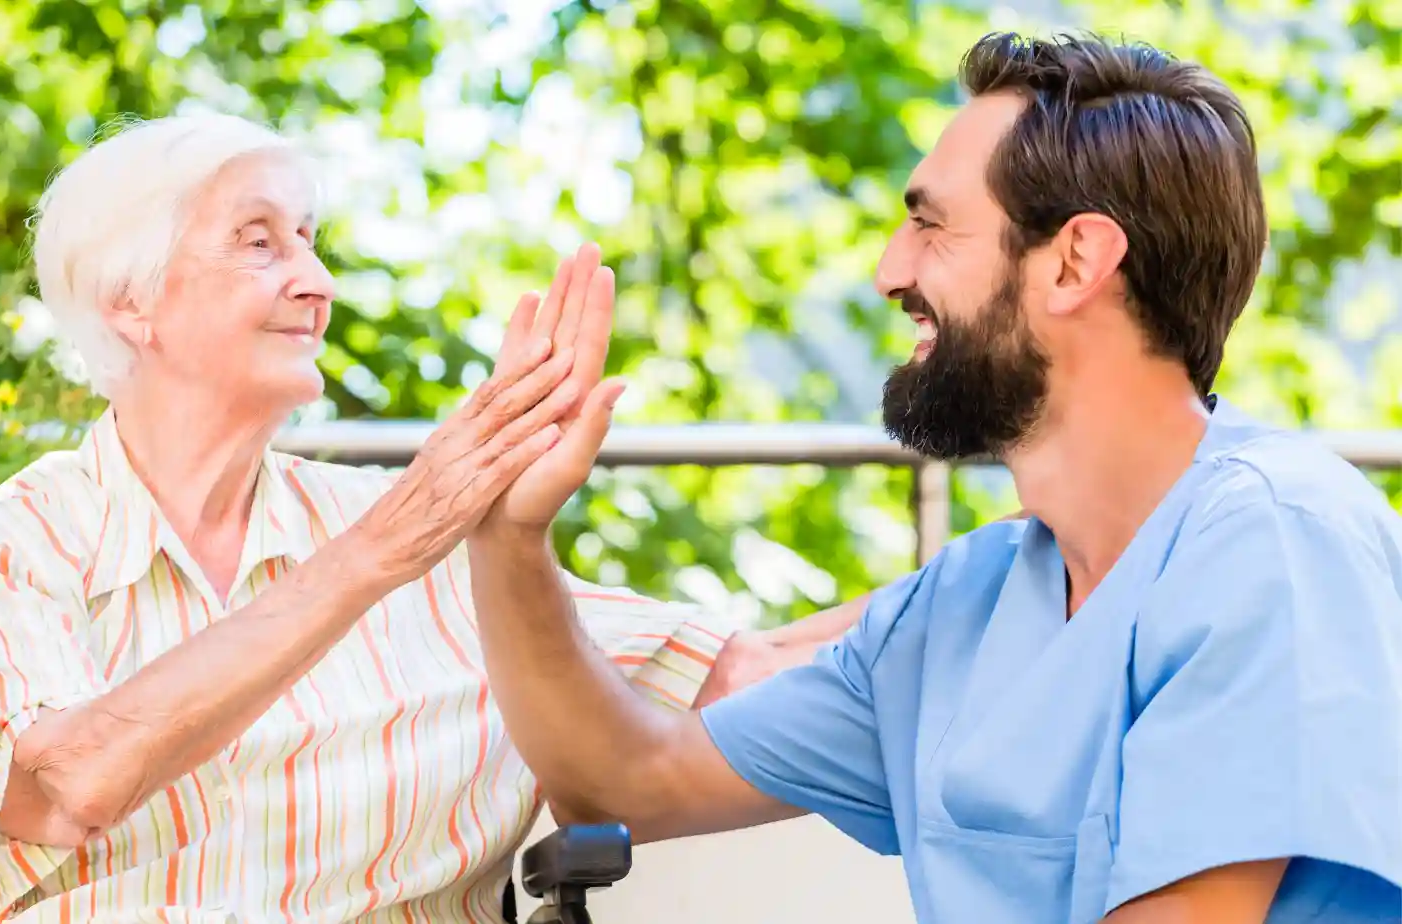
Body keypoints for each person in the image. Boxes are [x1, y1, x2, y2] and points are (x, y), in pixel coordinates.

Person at [467, 31, 1402, 924]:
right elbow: (627, 780)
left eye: (930, 227)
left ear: (1076, 261)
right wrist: (508, 535)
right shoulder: (964, 606)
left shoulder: (1276, 538)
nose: (888, 271)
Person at [0, 114, 860, 923]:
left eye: (312, 242)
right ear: (132, 301)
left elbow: (737, 672)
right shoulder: (8, 541)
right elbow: (73, 782)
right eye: (259, 241)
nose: (317, 282)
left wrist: (995, 571)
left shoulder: (436, 539)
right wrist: (382, 550)